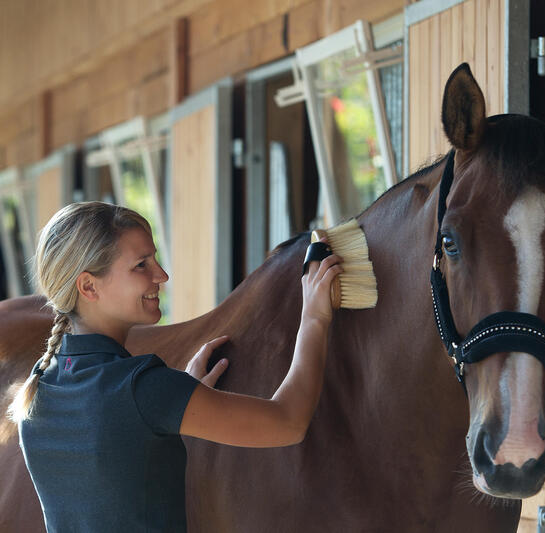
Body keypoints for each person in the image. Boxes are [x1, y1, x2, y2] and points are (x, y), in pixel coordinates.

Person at [6, 201, 342, 532]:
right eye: (141, 265)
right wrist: (314, 313)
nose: (161, 275)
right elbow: (288, 422)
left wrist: (183, 397)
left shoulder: (43, 381)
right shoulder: (141, 388)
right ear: (89, 286)